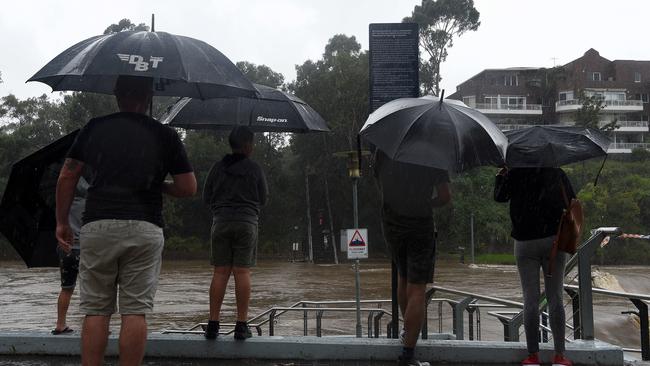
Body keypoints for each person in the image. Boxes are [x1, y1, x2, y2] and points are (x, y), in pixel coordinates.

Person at [55, 75, 196, 366]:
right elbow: (188, 187)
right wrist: (160, 185)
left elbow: (68, 175)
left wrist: (61, 222)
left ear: (116, 95)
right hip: (145, 227)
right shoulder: (165, 135)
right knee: (135, 311)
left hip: (97, 225)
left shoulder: (95, 127)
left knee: (95, 310)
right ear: (147, 98)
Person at [374, 150, 451, 366]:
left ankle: (406, 333)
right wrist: (427, 203)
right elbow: (445, 196)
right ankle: (408, 354)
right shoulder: (432, 153)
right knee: (417, 288)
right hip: (420, 225)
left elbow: (381, 185)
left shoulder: (385, 151)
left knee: (403, 277)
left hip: (393, 225)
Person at [494, 167, 575, 366]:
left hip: (524, 243)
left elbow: (499, 197)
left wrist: (500, 176)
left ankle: (532, 356)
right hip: (553, 241)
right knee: (555, 295)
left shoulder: (515, 172)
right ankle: (559, 356)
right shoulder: (556, 172)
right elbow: (572, 201)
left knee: (530, 299)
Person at [202, 126, 268, 340]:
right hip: (247, 223)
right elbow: (263, 198)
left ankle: (213, 324)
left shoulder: (217, 167)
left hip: (220, 222)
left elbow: (206, 196)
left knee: (220, 272)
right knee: (242, 272)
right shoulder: (254, 169)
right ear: (248, 146)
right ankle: (241, 326)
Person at [52, 176, 89, 335]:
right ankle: (94, 326)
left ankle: (60, 324)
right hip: (87, 249)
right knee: (93, 289)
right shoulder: (90, 203)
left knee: (66, 288)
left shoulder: (63, 207)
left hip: (67, 250)